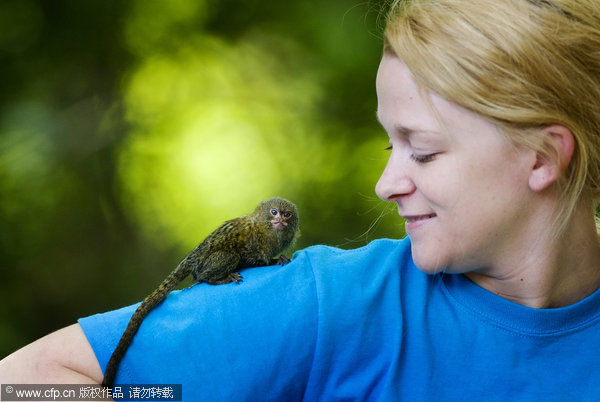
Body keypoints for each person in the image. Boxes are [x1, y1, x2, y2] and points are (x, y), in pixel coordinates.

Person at [2, 0, 600, 399]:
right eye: (389, 143)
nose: (385, 183)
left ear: (543, 158)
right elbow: (27, 382)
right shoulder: (330, 309)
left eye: (423, 151)